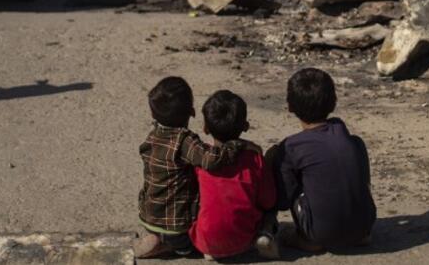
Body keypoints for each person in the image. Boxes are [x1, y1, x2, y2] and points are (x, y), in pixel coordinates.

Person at [135, 76, 248, 259]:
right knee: (195, 246)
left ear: (153, 114)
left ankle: (155, 237)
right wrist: (234, 145)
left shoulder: (152, 137)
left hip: (149, 216)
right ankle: (174, 246)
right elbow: (211, 160)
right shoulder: (184, 141)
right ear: (192, 112)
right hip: (178, 227)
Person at [268, 68, 376, 253]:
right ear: (333, 103)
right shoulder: (350, 140)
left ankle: (306, 239)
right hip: (365, 225)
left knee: (291, 171)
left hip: (321, 232)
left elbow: (284, 200)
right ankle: (355, 235)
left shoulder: (291, 147)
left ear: (290, 106)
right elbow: (364, 182)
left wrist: (272, 160)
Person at [189, 90, 280, 260]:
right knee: (270, 211)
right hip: (244, 241)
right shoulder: (254, 160)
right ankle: (265, 234)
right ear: (245, 127)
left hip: (206, 242)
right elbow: (268, 201)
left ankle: (211, 247)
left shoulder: (201, 160)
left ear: (205, 129)